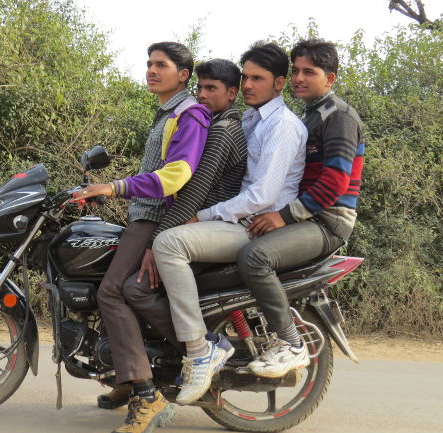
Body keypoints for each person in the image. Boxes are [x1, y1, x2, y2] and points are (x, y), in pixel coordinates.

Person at [151, 42, 307, 406]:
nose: (249, 84)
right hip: (241, 219)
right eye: (246, 76)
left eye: (258, 79)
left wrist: (201, 214)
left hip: (252, 225)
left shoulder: (281, 126)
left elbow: (261, 196)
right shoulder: (252, 119)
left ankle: (198, 348)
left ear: (279, 84)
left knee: (168, 244)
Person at [72, 42, 211, 433]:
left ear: (183, 74)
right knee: (116, 288)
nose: (151, 70)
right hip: (142, 214)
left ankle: (147, 395)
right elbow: (153, 172)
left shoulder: (191, 114)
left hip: (154, 219)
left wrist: (117, 187)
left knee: (111, 293)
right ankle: (127, 375)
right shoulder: (167, 113)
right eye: (149, 63)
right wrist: (103, 192)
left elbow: (177, 174)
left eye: (161, 65)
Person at [240, 38, 364, 378]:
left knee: (256, 257)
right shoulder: (310, 116)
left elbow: (335, 183)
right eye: (295, 71)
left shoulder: (338, 116)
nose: (299, 78)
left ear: (331, 78)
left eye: (309, 72)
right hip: (308, 217)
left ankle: (291, 343)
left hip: (327, 222)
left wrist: (282, 216)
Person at [120, 58, 248, 355]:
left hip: (211, 227)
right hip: (202, 224)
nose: (202, 95)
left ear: (231, 93)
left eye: (211, 88)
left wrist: (154, 240)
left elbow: (193, 194)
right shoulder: (217, 124)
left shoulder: (222, 131)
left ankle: (198, 350)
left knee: (135, 289)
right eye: (200, 87)